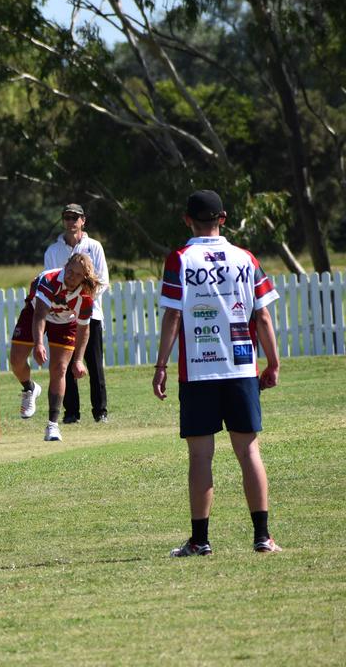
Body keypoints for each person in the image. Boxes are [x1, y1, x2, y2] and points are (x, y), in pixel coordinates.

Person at [152, 190, 282, 557]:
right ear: (222, 218)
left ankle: (200, 541)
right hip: (242, 367)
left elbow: (173, 315)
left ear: (187, 219)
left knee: (200, 457)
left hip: (198, 372)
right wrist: (273, 363)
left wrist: (161, 366)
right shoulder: (245, 257)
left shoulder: (180, 259)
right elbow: (263, 315)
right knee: (249, 450)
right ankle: (263, 537)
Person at [8, 253, 101, 442]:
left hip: (65, 322)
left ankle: (52, 426)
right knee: (16, 361)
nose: (71, 277)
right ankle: (29, 388)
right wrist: (39, 344)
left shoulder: (86, 296)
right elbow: (40, 313)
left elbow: (84, 329)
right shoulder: (49, 280)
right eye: (70, 271)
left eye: (77, 275)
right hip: (35, 313)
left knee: (59, 369)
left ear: (84, 277)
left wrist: (78, 360)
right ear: (65, 266)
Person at [43, 203, 110, 424]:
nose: (71, 222)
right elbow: (50, 282)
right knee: (65, 365)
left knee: (93, 364)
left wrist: (83, 302)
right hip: (63, 318)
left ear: (83, 221)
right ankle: (71, 412)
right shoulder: (53, 251)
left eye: (75, 217)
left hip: (91, 316)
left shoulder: (94, 247)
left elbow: (102, 282)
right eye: (67, 217)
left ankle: (100, 411)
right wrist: (67, 305)